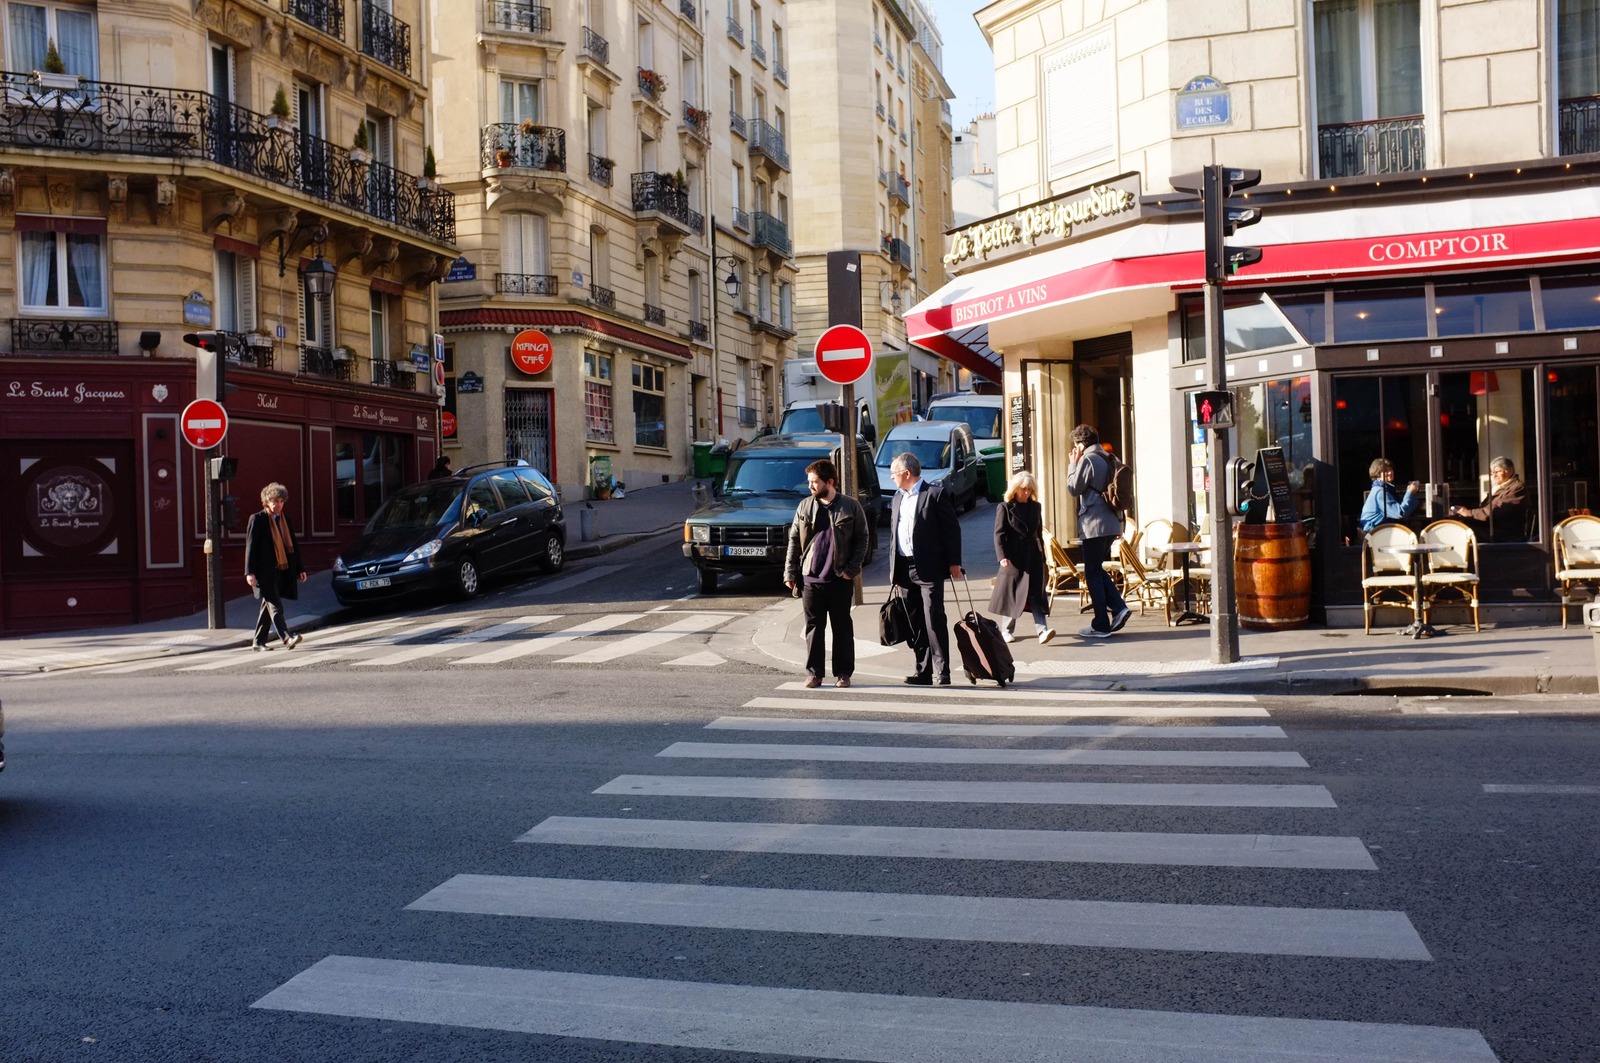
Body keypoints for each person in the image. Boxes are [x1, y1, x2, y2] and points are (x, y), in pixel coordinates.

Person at [783, 458, 869, 689]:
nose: (810, 486)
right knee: (813, 627)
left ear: (829, 482)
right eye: (809, 482)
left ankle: (843, 673)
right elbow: (794, 540)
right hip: (811, 578)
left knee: (842, 627)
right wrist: (790, 572)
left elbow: (863, 539)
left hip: (839, 577)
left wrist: (851, 570)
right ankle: (814, 673)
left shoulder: (850, 506)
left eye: (814, 482)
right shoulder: (804, 506)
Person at [888, 452, 963, 685]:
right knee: (915, 621)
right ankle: (923, 671)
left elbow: (951, 531)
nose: (892, 478)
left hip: (929, 569)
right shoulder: (897, 498)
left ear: (906, 473)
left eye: (894, 474)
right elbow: (893, 535)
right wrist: (893, 569)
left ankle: (943, 671)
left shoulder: (935, 495)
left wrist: (954, 563)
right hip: (904, 567)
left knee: (933, 618)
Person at [1066, 424, 1131, 639]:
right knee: (1097, 569)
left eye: (1076, 445)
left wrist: (1072, 465)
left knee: (1092, 573)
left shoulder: (1087, 459)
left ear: (1081, 443)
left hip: (1094, 523)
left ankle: (1101, 624)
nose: (1076, 449)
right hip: (1112, 522)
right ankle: (1119, 608)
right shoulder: (1110, 457)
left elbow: (1074, 488)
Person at [989, 470, 1053, 645]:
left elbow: (1038, 532)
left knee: (1036, 594)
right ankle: (1006, 630)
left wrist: (1043, 555)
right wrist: (1002, 556)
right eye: (1023, 489)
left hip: (1033, 555)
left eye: (1029, 489)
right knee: (1014, 593)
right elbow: (999, 534)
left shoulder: (1035, 506)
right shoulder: (1005, 507)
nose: (1026, 493)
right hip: (1014, 558)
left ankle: (1043, 630)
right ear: (1015, 489)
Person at [244, 482, 308, 652]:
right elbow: (251, 547)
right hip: (263, 572)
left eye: (281, 501)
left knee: (268, 606)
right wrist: (249, 572)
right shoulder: (257, 519)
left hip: (282, 570)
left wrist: (300, 569)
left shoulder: (286, 520)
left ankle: (258, 641)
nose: (278, 504)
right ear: (266, 502)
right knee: (275, 605)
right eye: (274, 501)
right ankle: (286, 638)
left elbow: (294, 545)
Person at [1450, 456, 1531, 542]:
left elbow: (1495, 511)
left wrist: (1468, 513)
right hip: (1492, 528)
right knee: (1458, 526)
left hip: (1505, 534)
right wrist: (1462, 513)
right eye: (1492, 472)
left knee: (1463, 531)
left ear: (1509, 471)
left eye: (1497, 471)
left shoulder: (1517, 488)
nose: (1494, 475)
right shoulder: (1498, 488)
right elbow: (1483, 508)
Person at [1359, 457, 1422, 532]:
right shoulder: (1380, 492)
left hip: (1382, 531)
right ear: (1377, 473)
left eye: (1391, 469)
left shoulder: (1385, 489)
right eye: (1386, 470)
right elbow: (1400, 513)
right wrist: (1410, 493)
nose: (1390, 472)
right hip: (1376, 534)